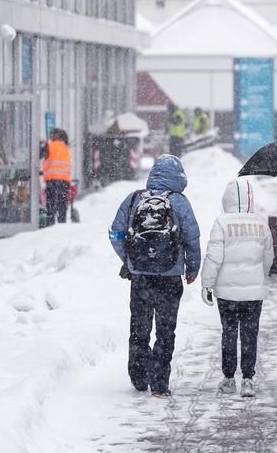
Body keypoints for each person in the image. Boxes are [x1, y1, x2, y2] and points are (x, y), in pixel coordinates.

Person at [109, 155, 202, 397]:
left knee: (139, 327)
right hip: (170, 276)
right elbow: (192, 238)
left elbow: (116, 233)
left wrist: (129, 259)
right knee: (165, 329)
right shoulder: (179, 202)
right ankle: (159, 383)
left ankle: (139, 377)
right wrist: (192, 268)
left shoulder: (134, 199)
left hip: (140, 276)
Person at [201, 178, 272, 399]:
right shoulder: (261, 223)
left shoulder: (221, 223)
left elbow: (214, 257)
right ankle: (248, 380)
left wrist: (207, 284)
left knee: (229, 333)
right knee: (250, 334)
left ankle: (229, 379)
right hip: (253, 293)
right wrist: (260, 276)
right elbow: (268, 257)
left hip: (227, 292)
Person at [41, 128, 72, 226]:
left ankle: (50, 224)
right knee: (62, 204)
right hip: (65, 181)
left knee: (51, 204)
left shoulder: (49, 146)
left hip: (52, 180)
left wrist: (41, 144)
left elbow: (39, 155)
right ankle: (62, 223)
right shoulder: (66, 148)